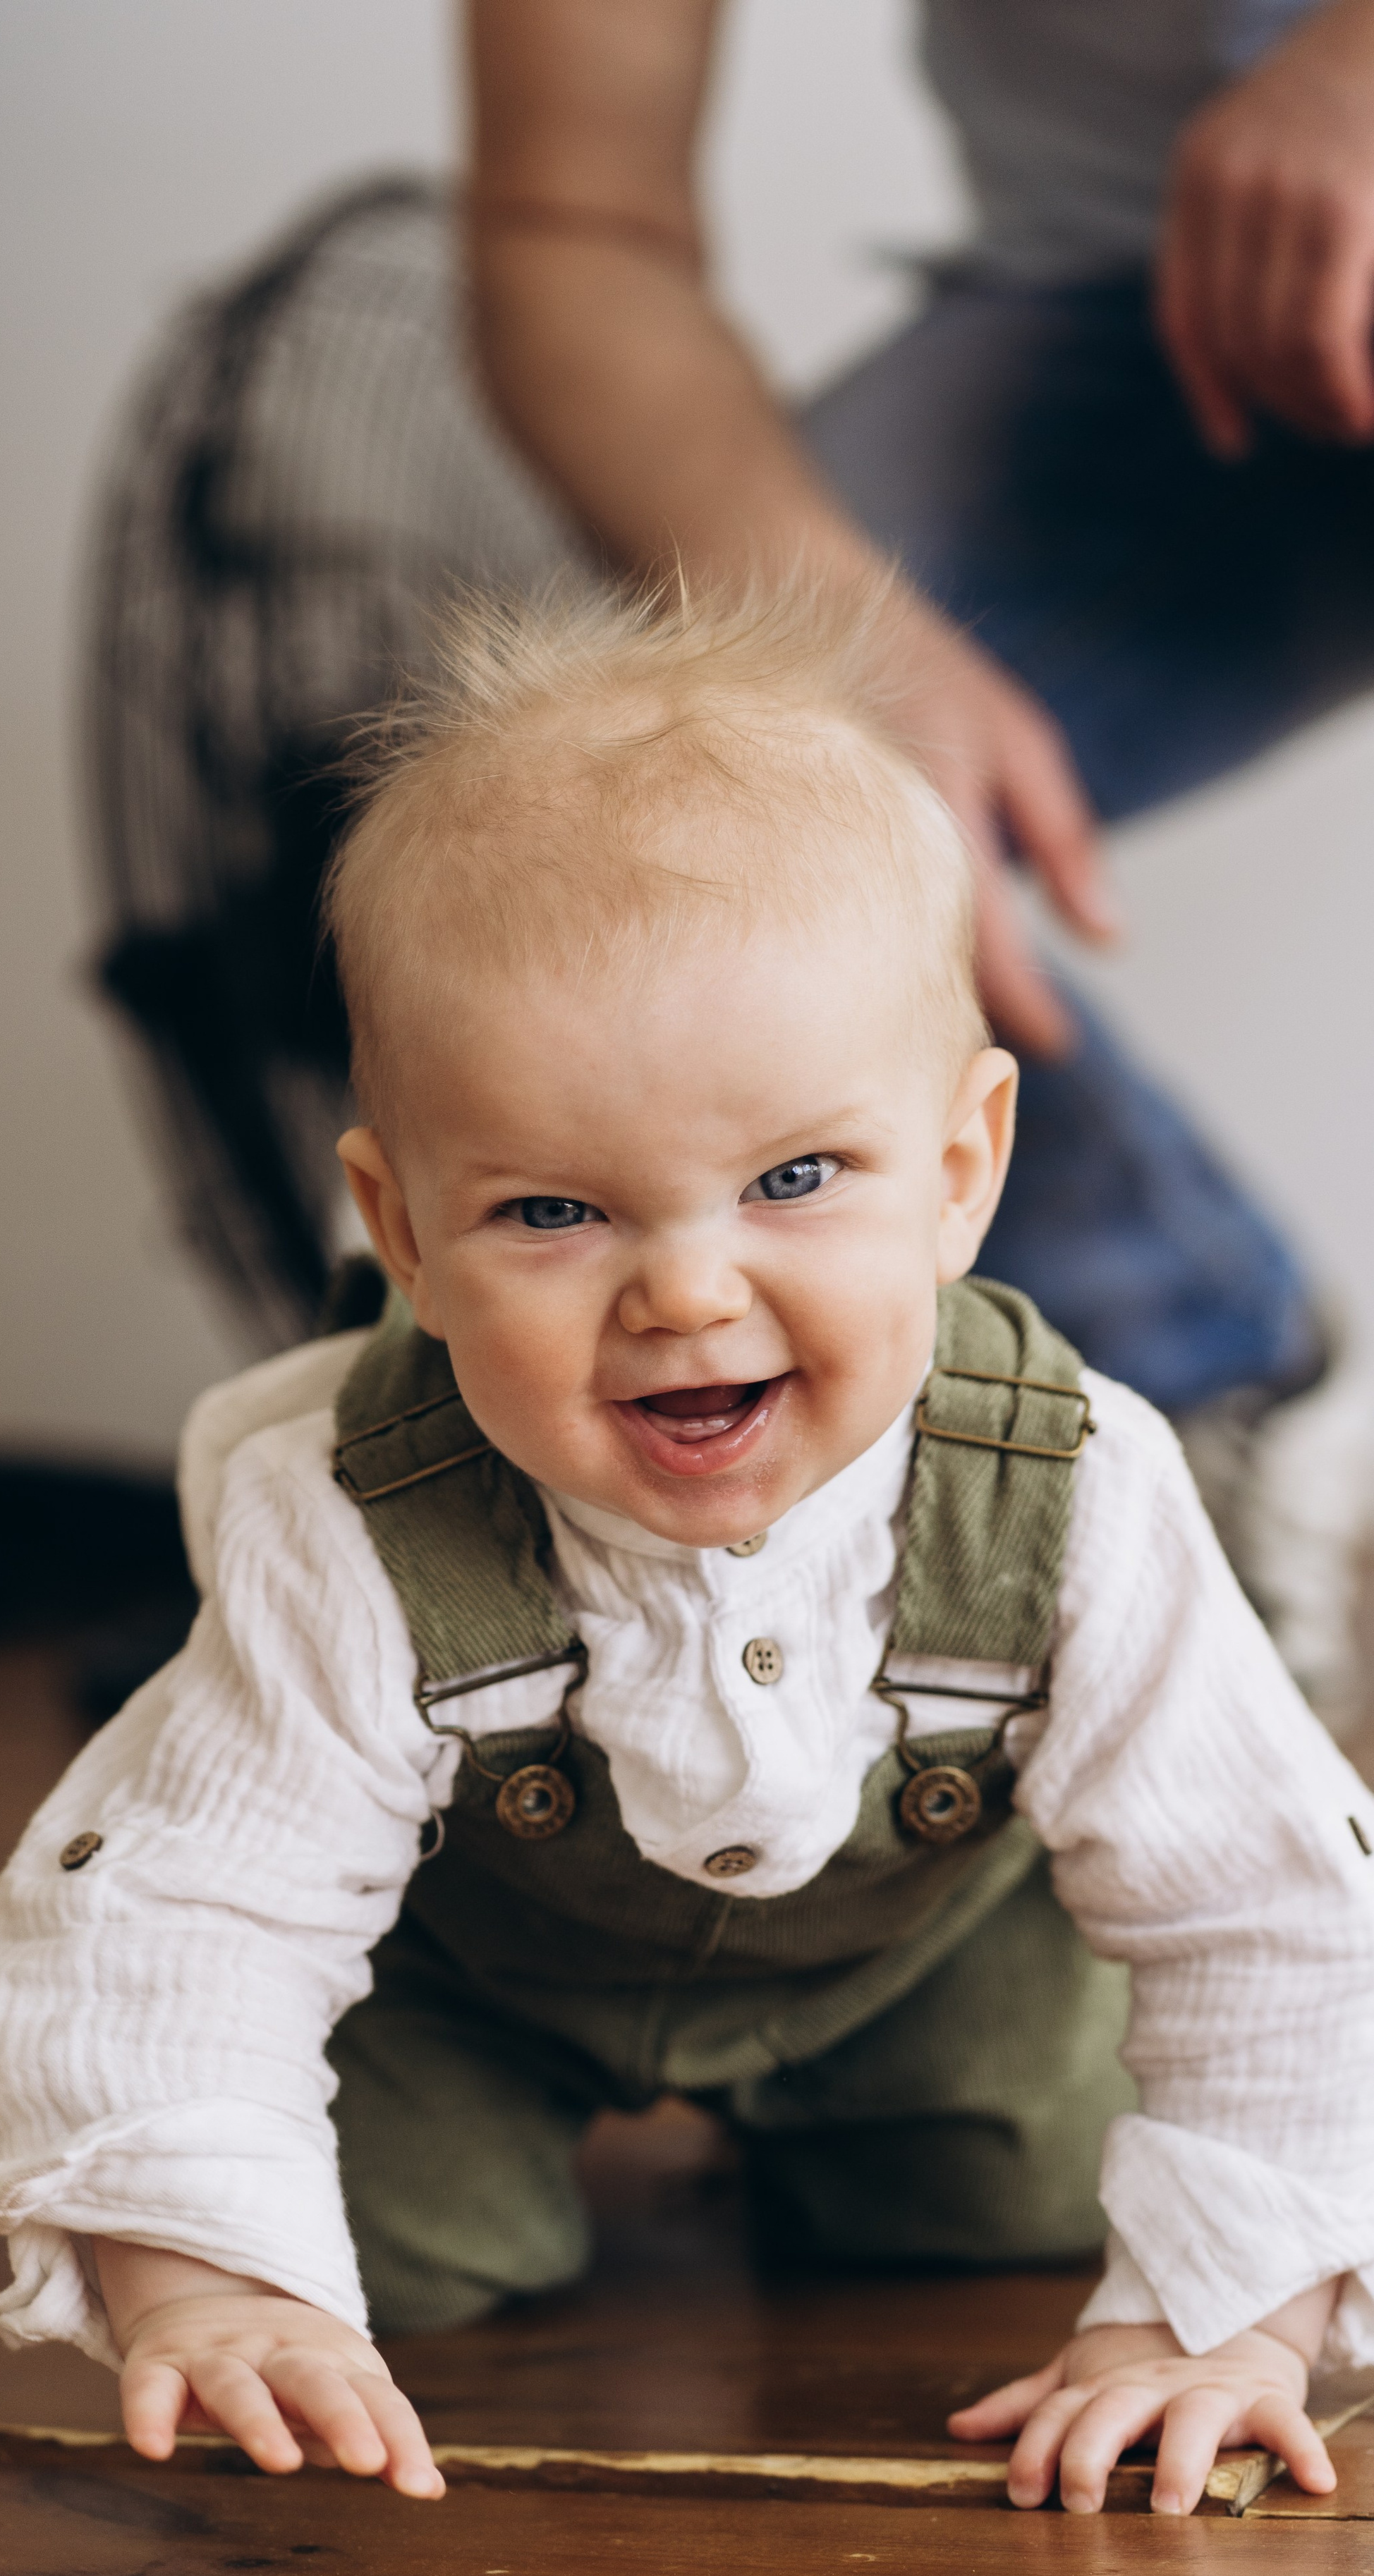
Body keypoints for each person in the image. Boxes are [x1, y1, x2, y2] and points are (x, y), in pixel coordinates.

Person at [0, 585, 1374, 2520]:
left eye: (797, 1179)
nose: (690, 1289)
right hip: (469, 1975)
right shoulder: (349, 1513)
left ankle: (875, 2127)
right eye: (552, 1209)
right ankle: (333, 2217)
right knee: (371, 2259)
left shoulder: (1074, 1488)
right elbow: (194, 1902)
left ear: (962, 1172)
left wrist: (1224, 2321)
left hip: (918, 1966)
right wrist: (208, 2272)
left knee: (1011, 2191)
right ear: (398, 1225)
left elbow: (1265, 1897)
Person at [87, 0, 1374, 1726]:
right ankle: (1203, 1386)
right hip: (1119, 319)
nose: (685, 1301)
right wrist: (844, 650)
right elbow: (574, 228)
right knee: (641, 785)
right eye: (552, 1212)